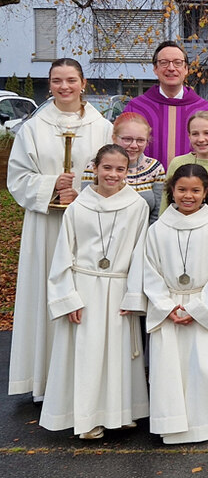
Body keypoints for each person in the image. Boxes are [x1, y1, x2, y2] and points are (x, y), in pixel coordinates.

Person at [7, 58, 113, 399]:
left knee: (85, 296)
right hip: (46, 226)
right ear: (49, 84)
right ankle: (46, 379)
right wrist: (53, 185)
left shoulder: (101, 127)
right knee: (47, 292)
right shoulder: (33, 128)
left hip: (88, 225)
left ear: (83, 83)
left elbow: (112, 172)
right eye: (56, 81)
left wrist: (80, 191)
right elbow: (18, 178)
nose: (64, 87)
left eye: (70, 80)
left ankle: (84, 379)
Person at [40, 144, 150, 439]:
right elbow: (64, 253)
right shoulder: (78, 206)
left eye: (120, 169)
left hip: (118, 287)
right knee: (88, 354)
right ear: (95, 168)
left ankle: (121, 411)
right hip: (85, 286)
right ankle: (87, 419)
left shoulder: (137, 206)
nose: (113, 174)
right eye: (107, 168)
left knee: (118, 353)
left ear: (128, 171)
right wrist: (68, 298)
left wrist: (134, 294)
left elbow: (141, 253)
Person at [145, 164, 208, 444]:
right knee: (170, 372)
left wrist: (197, 310)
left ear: (206, 192)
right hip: (171, 309)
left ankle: (207, 422)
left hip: (206, 306)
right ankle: (172, 423)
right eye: (182, 190)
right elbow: (150, 272)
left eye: (195, 190)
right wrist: (167, 306)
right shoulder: (158, 229)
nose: (188, 196)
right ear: (171, 191)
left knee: (201, 368)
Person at [122, 41, 208, 166]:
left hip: (192, 182)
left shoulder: (204, 109)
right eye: (164, 63)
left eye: (177, 63)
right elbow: (121, 149)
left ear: (186, 69)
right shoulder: (136, 108)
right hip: (145, 182)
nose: (171, 68)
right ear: (155, 68)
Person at [83, 112, 165, 224]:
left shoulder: (155, 168)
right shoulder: (95, 167)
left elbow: (158, 212)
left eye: (140, 140)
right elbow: (86, 206)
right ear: (114, 138)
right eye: (127, 139)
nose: (134, 145)